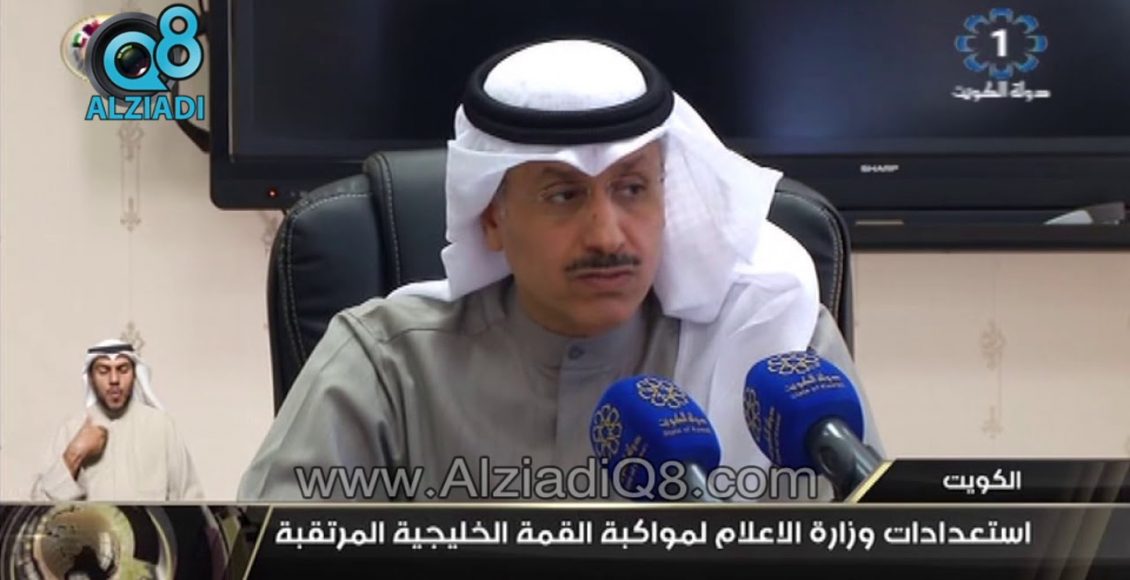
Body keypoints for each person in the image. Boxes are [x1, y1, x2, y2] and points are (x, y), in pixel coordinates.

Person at [237, 37, 884, 501]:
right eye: (563, 195)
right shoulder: (385, 364)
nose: (607, 235)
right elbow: (270, 556)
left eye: (632, 189)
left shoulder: (781, 348)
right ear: (491, 217)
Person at [31, 339, 205, 501]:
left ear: (135, 375)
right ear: (91, 377)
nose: (114, 380)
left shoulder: (161, 427)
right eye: (103, 371)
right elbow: (37, 505)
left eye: (122, 370)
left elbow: (191, 502)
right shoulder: (72, 428)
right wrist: (75, 453)